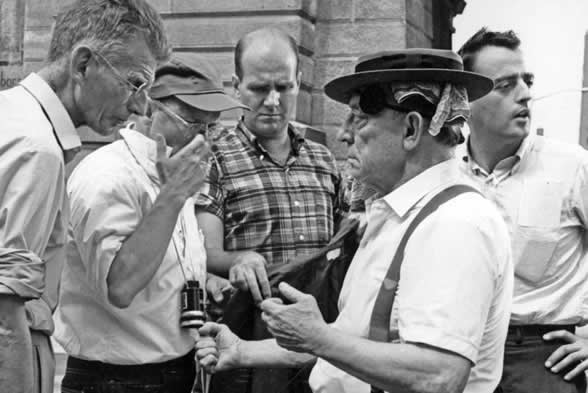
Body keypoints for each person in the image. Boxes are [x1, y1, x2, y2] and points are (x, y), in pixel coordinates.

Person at [196, 48, 514, 393]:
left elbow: (438, 375)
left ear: (411, 128)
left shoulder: (455, 224)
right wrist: (244, 350)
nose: (344, 135)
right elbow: (353, 341)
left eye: (359, 119)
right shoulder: (396, 215)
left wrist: (318, 338)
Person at [0, 1, 169, 393]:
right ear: (83, 64)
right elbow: (2, 310)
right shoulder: (35, 146)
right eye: (135, 83)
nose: (140, 105)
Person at [53, 52, 245, 393]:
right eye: (193, 122)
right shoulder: (108, 176)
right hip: (115, 380)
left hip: (175, 370)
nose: (204, 138)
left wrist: (200, 281)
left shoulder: (172, 169)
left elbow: (159, 266)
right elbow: (121, 286)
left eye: (211, 126)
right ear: (151, 109)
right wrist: (172, 197)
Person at [195, 27, 343, 393]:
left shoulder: (323, 160)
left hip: (321, 340)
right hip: (246, 343)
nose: (273, 101)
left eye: (284, 87)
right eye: (260, 89)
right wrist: (239, 260)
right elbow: (203, 252)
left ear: (298, 83)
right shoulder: (213, 158)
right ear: (236, 86)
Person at [458, 28, 588, 393]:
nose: (526, 94)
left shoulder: (572, 167)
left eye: (526, 81)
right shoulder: (445, 175)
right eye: (505, 85)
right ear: (466, 99)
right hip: (457, 353)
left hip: (541, 359)